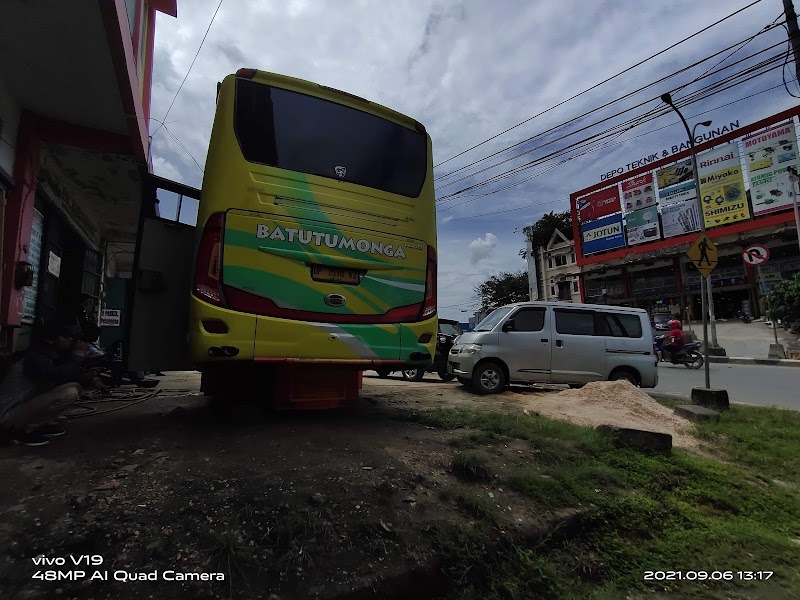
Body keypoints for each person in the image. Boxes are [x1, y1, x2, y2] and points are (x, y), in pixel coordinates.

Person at [0, 324, 87, 446]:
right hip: (7, 416)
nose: (70, 341)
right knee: (69, 393)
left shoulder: (47, 354)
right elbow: (57, 375)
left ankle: (37, 425)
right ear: (53, 339)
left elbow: (67, 373)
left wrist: (93, 379)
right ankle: (22, 431)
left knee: (75, 386)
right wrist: (77, 356)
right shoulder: (35, 357)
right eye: (66, 337)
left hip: (22, 407)